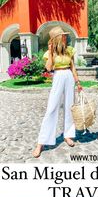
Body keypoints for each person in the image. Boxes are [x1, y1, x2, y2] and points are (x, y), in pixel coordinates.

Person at [33, 26, 82, 158]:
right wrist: (49, 52)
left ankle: (68, 135)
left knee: (69, 107)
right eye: (63, 35)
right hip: (58, 76)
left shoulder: (69, 50)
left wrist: (78, 82)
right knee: (51, 108)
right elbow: (49, 68)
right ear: (58, 38)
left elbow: (73, 68)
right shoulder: (50, 53)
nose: (66, 37)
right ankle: (41, 142)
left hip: (69, 77)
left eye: (65, 35)